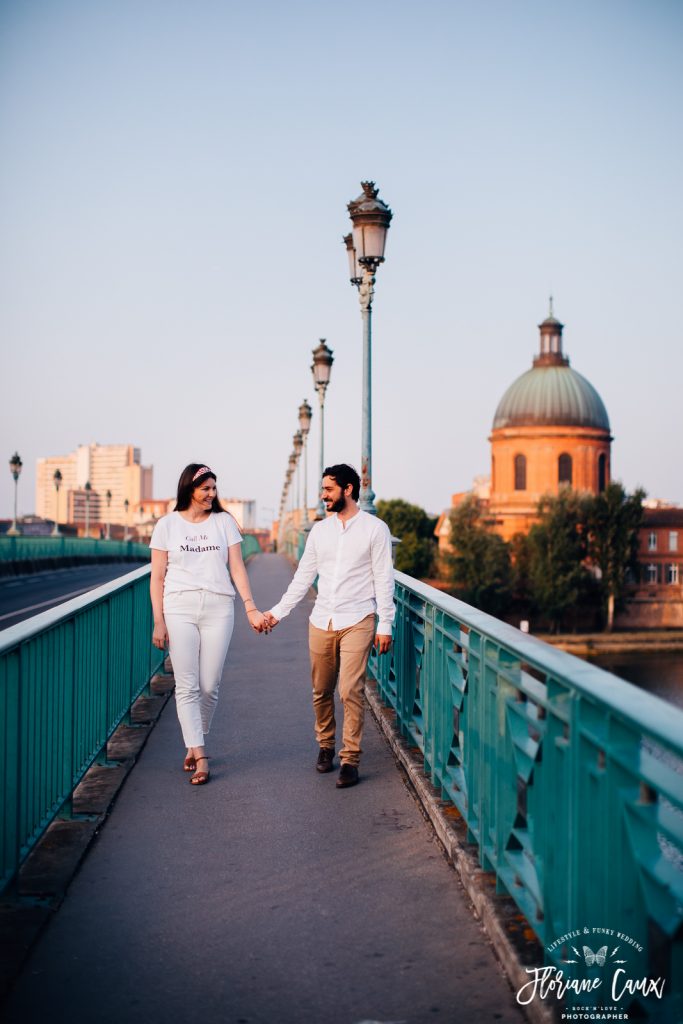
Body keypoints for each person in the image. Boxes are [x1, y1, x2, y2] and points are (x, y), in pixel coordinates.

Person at [265, 464, 394, 789]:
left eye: (328, 490)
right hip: (322, 619)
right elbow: (303, 577)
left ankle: (350, 759)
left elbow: (384, 579)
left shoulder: (375, 529)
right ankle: (326, 745)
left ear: (348, 489)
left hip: (359, 619)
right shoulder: (320, 532)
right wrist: (277, 613)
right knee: (321, 690)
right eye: (323, 490)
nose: (323, 496)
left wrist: (386, 623)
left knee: (350, 689)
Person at [150, 464, 267, 785]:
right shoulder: (167, 525)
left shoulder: (224, 523)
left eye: (214, 488)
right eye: (205, 489)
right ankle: (201, 754)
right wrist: (159, 621)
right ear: (189, 488)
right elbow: (157, 577)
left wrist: (250, 607)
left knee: (210, 685)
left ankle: (193, 740)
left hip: (219, 607)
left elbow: (238, 569)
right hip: (179, 607)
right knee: (186, 685)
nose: (211, 494)